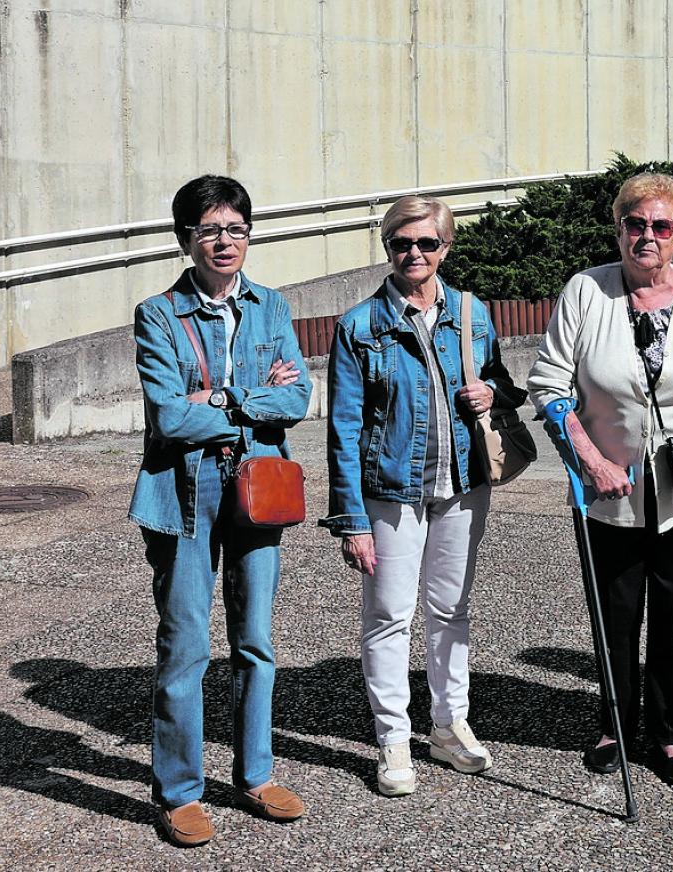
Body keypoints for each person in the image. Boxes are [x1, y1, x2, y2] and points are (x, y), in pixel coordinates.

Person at [526, 173, 673, 788]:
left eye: (661, 227)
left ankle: (671, 733)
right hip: (606, 485)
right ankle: (616, 724)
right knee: (615, 611)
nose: (647, 236)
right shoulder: (586, 292)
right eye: (634, 224)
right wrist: (589, 457)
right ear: (617, 228)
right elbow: (549, 383)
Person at [130, 175, 314, 846]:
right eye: (209, 229)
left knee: (256, 641)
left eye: (235, 228)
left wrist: (220, 398)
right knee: (184, 646)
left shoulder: (272, 306)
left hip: (259, 483)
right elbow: (170, 419)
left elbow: (298, 400)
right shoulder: (158, 314)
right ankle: (180, 791)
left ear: (249, 235)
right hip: (184, 490)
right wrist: (248, 398)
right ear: (187, 239)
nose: (224, 241)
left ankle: (255, 775)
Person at [324, 195, 526, 798]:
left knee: (450, 608)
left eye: (426, 244)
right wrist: (351, 519)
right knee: (389, 616)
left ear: (446, 247)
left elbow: (504, 385)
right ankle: (392, 736)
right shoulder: (360, 325)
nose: (414, 254)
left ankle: (448, 724)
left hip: (462, 485)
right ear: (387, 248)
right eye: (401, 243)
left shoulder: (472, 312)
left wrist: (490, 390)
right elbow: (342, 428)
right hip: (390, 491)